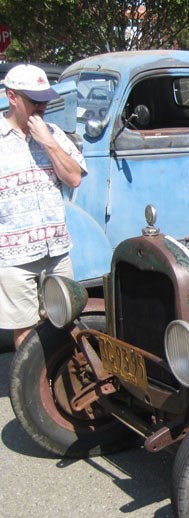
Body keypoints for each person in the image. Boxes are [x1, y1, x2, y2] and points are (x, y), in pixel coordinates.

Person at [0, 64, 88, 349]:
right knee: (25, 334)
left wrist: (48, 143)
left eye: (45, 100)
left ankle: (63, 385)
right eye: (34, 101)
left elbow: (74, 177)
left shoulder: (53, 133)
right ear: (12, 97)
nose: (42, 107)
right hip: (15, 256)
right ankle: (33, 389)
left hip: (57, 251)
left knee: (68, 320)